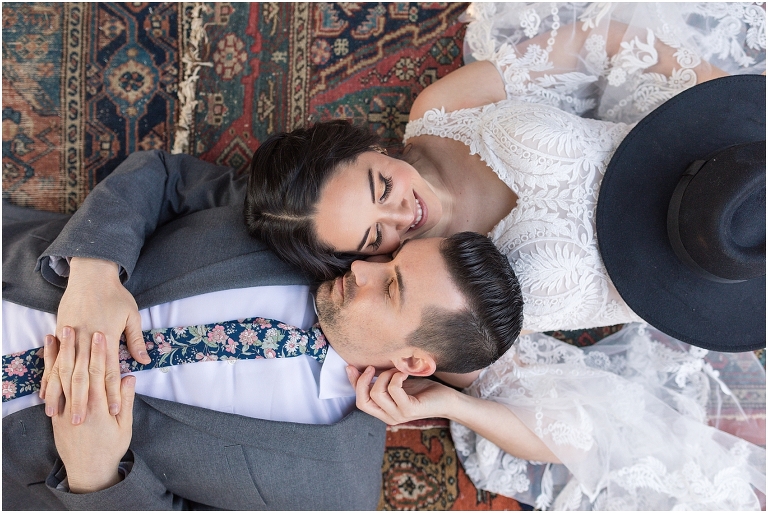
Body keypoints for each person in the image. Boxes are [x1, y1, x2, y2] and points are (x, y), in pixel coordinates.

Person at [1, 151, 527, 510]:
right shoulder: (306, 227)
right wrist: (94, 271)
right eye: (390, 258)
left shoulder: (336, 492)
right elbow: (161, 175)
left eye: (390, 288)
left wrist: (96, 476)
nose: (362, 268)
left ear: (415, 363)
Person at [244, 2, 765, 334]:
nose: (402, 215)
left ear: (372, 148)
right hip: (720, 281)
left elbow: (597, 41)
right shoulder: (431, 289)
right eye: (374, 234)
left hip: (730, 188)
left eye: (381, 186)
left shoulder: (441, 112)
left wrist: (715, 98)